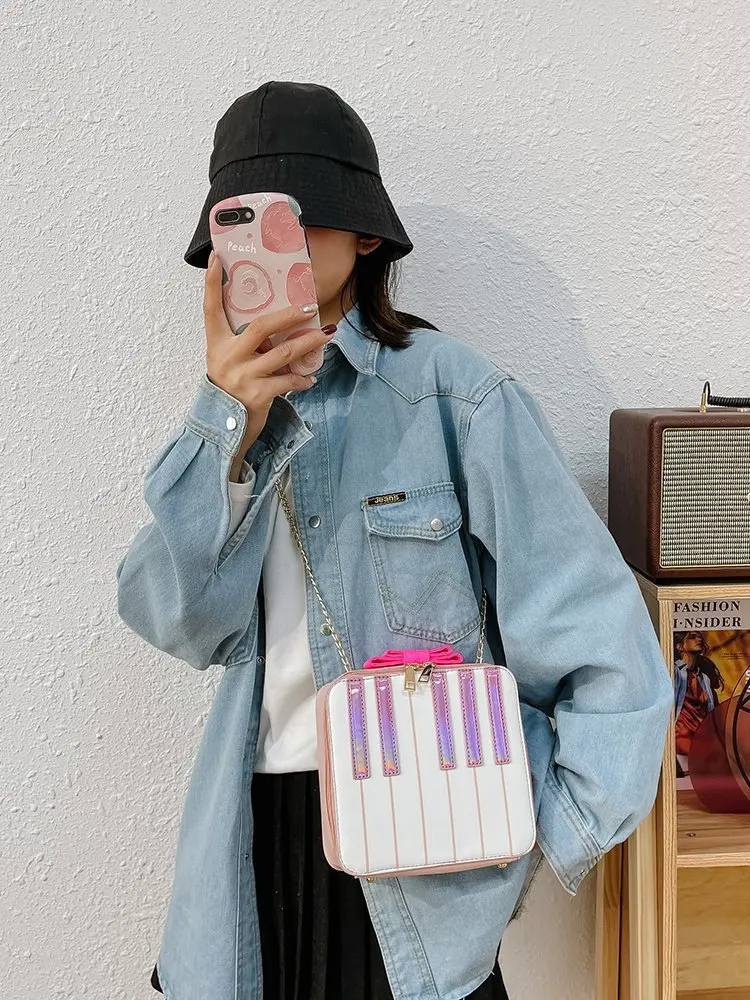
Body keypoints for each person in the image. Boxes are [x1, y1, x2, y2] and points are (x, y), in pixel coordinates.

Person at [116, 81, 673, 1000]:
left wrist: (539, 832)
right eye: (250, 224)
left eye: (300, 215)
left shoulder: (453, 396)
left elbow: (605, 648)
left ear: (365, 235)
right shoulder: (231, 416)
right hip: (253, 839)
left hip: (421, 840)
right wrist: (227, 421)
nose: (278, 242)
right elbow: (177, 623)